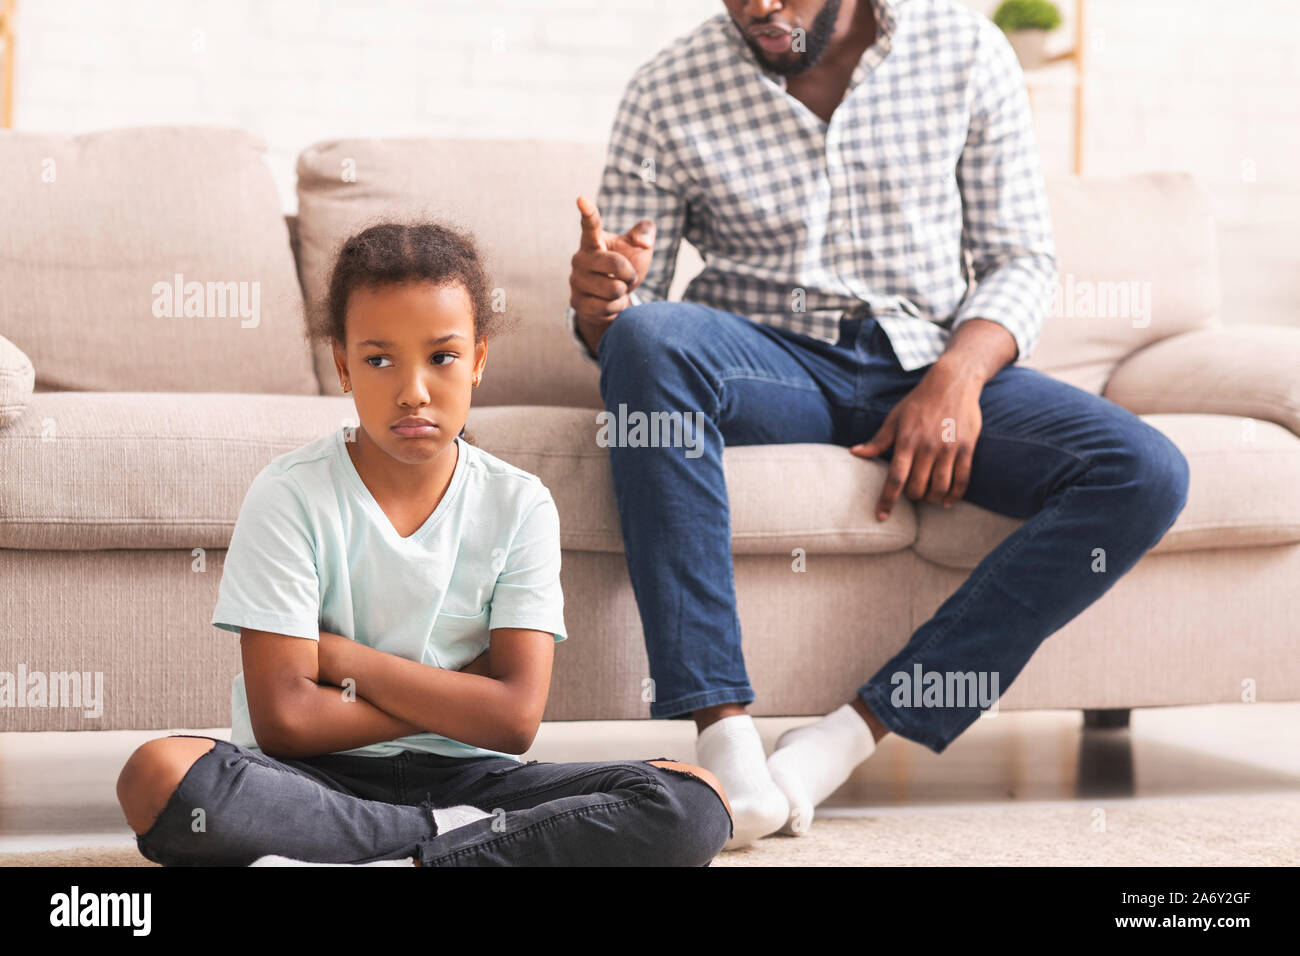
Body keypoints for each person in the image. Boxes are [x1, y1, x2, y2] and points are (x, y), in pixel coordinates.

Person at [566, 0, 1189, 849]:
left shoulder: (965, 47)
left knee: (1145, 471)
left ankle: (843, 739)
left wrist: (958, 376)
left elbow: (1020, 257)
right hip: (769, 361)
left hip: (928, 354)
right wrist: (604, 301)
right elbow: (632, 310)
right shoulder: (667, 87)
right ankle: (726, 746)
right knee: (646, 337)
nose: (758, 8)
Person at [116, 221, 733, 866]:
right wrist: (466, 696)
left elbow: (516, 723)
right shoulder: (289, 493)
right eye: (379, 360)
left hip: (479, 784)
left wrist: (342, 658)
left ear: (479, 359)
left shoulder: (519, 503)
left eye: (442, 357)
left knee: (692, 799)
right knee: (160, 772)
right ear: (342, 365)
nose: (413, 391)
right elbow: (287, 721)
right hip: (318, 784)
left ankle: (393, 853)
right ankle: (451, 845)